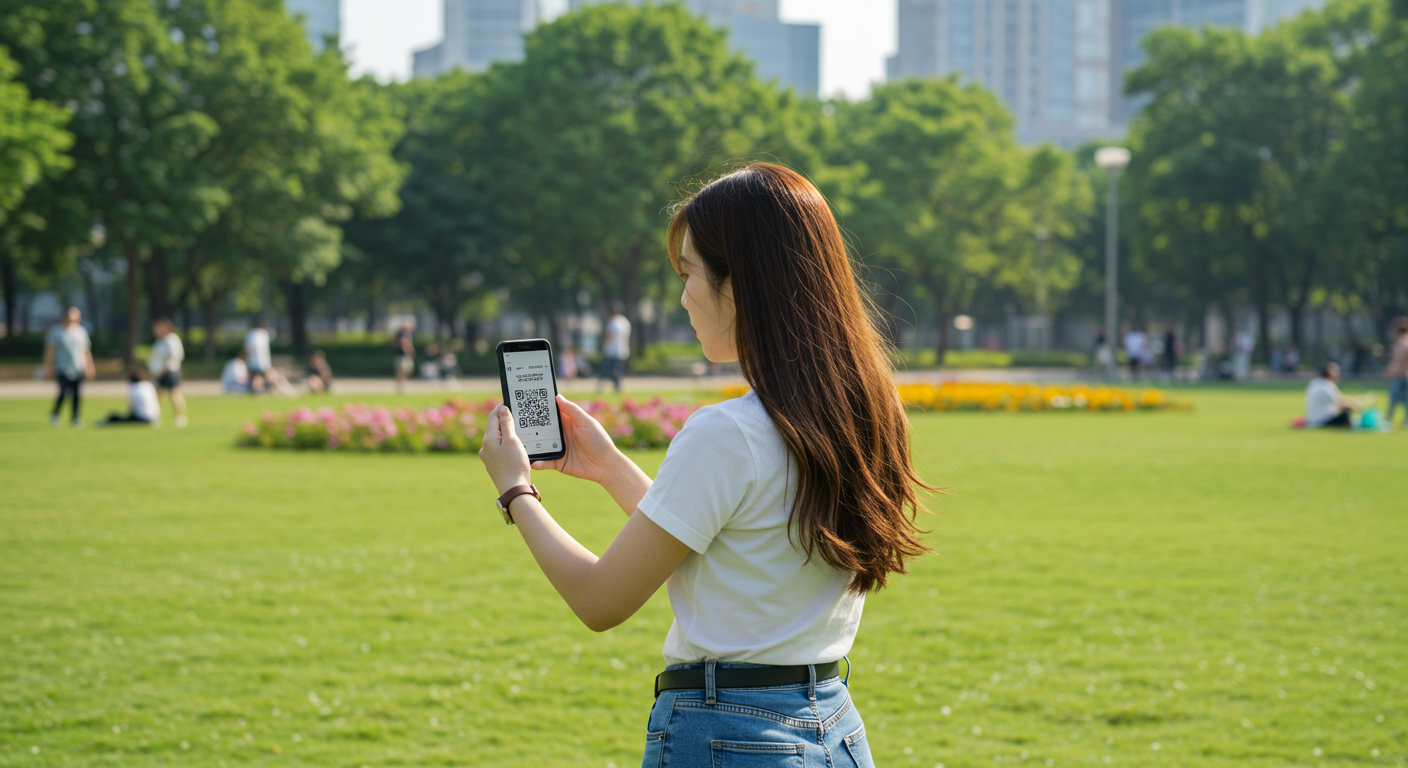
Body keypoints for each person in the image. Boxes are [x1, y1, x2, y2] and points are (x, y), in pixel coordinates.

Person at [479, 164, 931, 767]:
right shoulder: (861, 413)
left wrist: (516, 490)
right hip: (833, 726)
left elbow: (600, 600)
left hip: (727, 735)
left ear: (740, 284)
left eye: (690, 273)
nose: (684, 295)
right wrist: (610, 465)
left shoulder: (728, 431)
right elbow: (724, 549)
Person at [42, 306, 96, 428]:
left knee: (77, 394)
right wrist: (47, 366)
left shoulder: (81, 332)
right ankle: (55, 415)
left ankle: (75, 418)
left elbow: (86, 351)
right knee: (63, 392)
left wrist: (90, 367)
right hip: (62, 367)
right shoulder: (56, 332)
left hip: (77, 367)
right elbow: (50, 350)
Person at [148, 318, 187, 427]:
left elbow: (174, 357)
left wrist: (164, 369)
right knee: (157, 395)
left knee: (174, 394)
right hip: (159, 372)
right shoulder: (158, 342)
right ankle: (156, 416)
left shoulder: (172, 339)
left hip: (171, 371)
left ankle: (180, 416)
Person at [1305, 361, 1363, 428]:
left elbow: (1339, 399)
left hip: (1312, 420)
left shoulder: (1315, 382)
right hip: (1321, 421)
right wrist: (1357, 407)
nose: (1338, 374)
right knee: (1345, 412)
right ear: (1330, 372)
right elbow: (1340, 402)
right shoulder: (1326, 386)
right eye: (1336, 371)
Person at [597, 302, 631, 392]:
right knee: (617, 370)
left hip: (611, 350)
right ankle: (617, 386)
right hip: (622, 350)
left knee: (606, 369)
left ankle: (601, 386)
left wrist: (602, 344)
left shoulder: (612, 322)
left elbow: (609, 336)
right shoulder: (625, 321)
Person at [1386, 317, 1408, 428]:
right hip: (1400, 375)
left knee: (1395, 399)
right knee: (1403, 400)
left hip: (1401, 376)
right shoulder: (1400, 343)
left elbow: (1400, 361)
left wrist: (1393, 371)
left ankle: (1389, 420)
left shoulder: (1403, 344)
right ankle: (1402, 421)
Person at [244, 320, 274, 389]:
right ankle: (260, 388)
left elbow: (249, 348)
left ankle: (256, 388)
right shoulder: (264, 334)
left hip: (254, 361)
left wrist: (247, 359)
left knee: (255, 377)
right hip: (263, 362)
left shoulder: (252, 334)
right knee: (260, 377)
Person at [394, 318, 415, 394]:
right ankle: (400, 385)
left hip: (406, 356)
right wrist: (408, 348)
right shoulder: (401, 333)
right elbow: (402, 342)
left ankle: (402, 383)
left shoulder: (408, 333)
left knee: (407, 370)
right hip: (402, 355)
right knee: (401, 370)